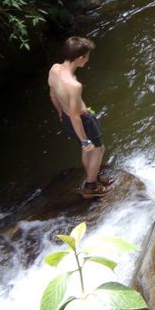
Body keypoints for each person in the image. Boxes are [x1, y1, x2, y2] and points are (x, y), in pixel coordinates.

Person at [48, 36, 113, 199]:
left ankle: (93, 175)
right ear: (80, 58)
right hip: (82, 120)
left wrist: (60, 112)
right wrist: (84, 140)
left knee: (87, 150)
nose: (87, 60)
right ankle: (91, 186)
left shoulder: (54, 69)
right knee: (98, 149)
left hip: (66, 118)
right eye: (87, 56)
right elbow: (76, 116)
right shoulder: (74, 85)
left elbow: (52, 95)